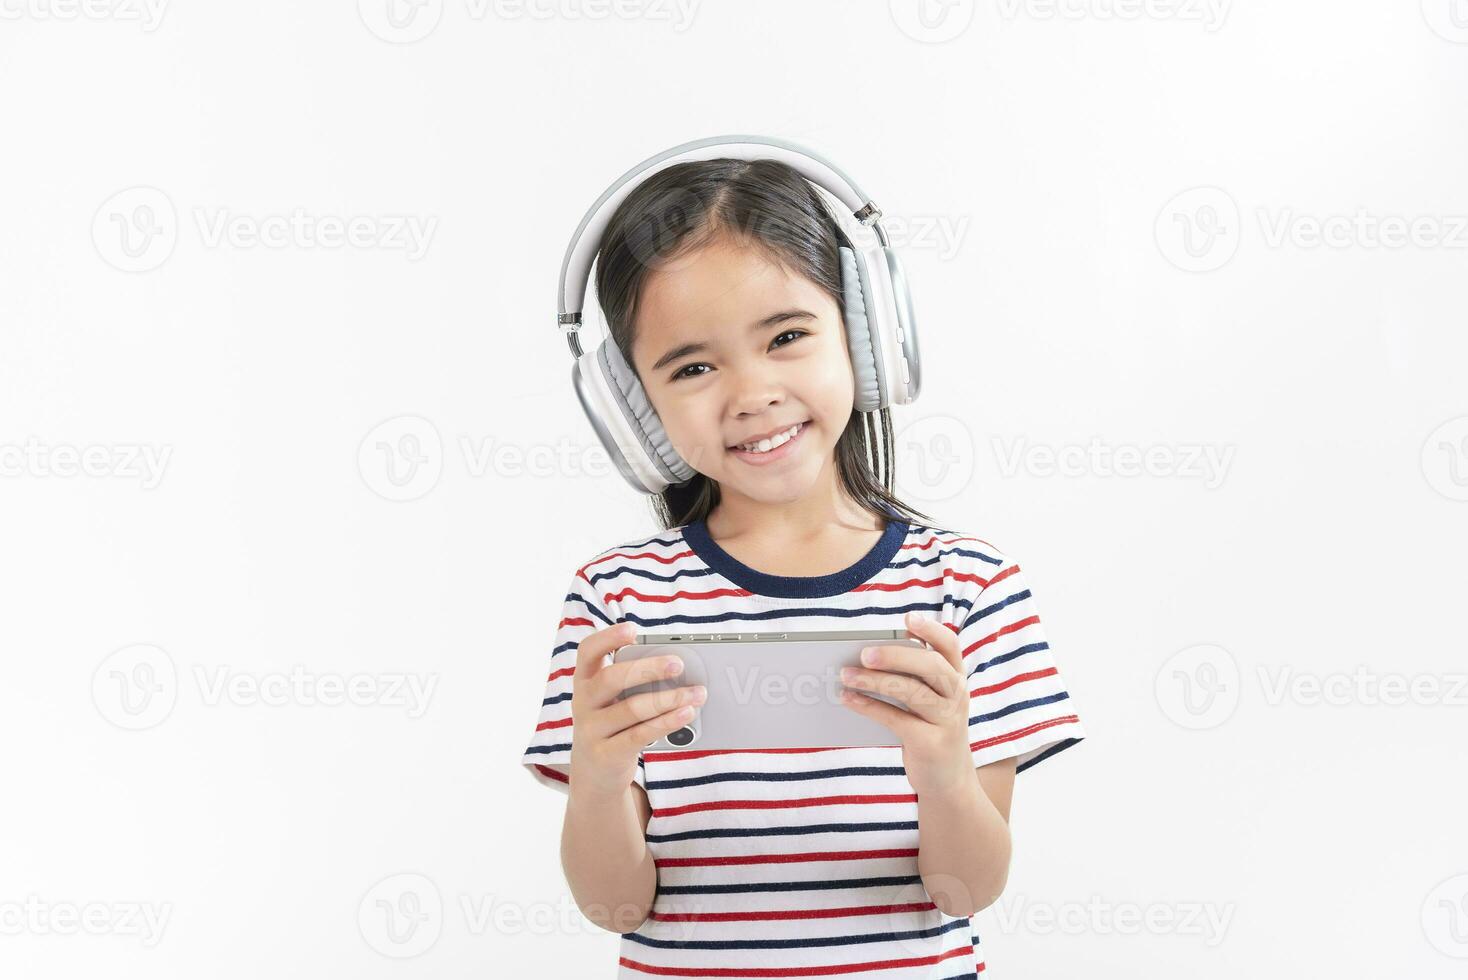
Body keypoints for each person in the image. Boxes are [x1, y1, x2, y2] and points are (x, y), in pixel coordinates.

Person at [521, 146, 1087, 977]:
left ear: (866, 337)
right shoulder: (617, 600)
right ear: (635, 405)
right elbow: (614, 904)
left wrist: (941, 767)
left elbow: (968, 889)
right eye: (693, 366)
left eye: (786, 336)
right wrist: (600, 778)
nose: (751, 393)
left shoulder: (967, 587)